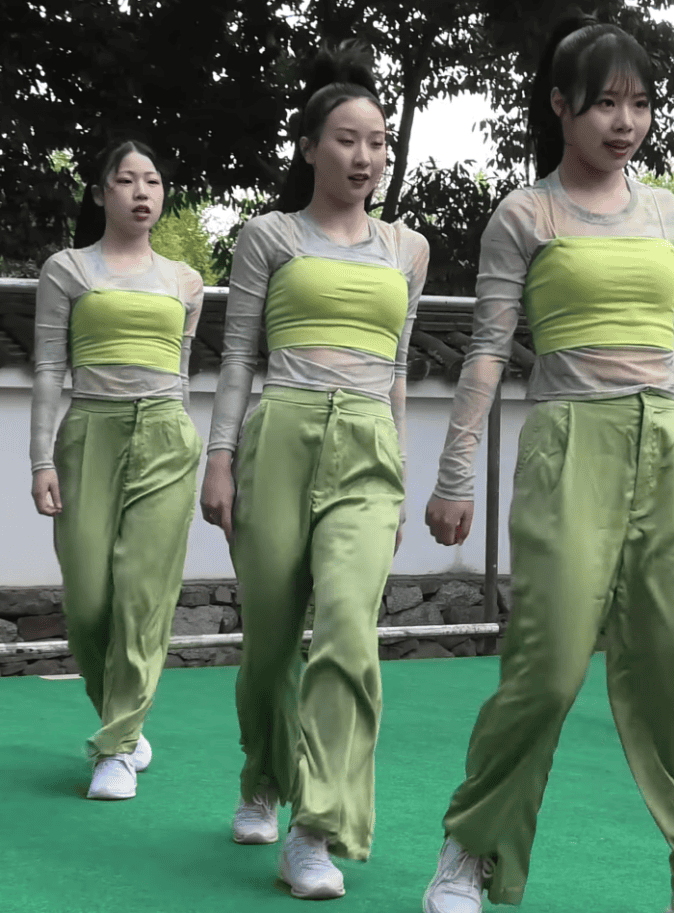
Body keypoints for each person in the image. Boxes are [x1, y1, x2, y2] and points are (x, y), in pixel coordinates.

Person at [421, 17, 674, 913]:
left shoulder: (667, 214)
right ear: (560, 105)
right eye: (605, 103)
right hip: (568, 443)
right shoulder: (524, 214)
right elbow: (487, 350)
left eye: (641, 104)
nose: (625, 122)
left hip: (667, 449)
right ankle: (471, 849)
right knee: (547, 667)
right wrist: (456, 469)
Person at [198, 40, 429, 899]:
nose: (365, 156)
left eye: (378, 142)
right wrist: (219, 458)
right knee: (268, 643)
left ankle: (316, 825)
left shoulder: (409, 248)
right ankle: (263, 774)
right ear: (308, 147)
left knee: (348, 630)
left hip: (368, 445)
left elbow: (399, 369)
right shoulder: (268, 236)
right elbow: (237, 359)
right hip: (281, 434)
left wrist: (400, 472)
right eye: (346, 139)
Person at [30, 138, 203, 801]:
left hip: (164, 434)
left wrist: (182, 435)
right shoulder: (67, 269)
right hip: (88, 436)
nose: (141, 192)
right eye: (126, 180)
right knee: (86, 603)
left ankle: (118, 746)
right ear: (102, 192)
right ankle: (121, 719)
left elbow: (181, 372)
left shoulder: (185, 281)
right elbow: (50, 367)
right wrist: (41, 458)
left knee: (141, 595)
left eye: (152, 181)